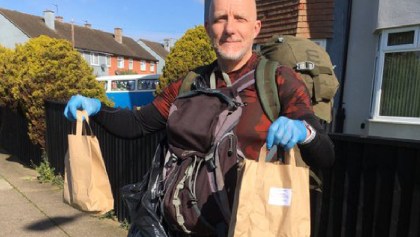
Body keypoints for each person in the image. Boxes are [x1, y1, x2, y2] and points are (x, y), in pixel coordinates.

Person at [64, 0, 334, 233]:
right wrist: (97, 108)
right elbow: (137, 124)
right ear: (208, 28)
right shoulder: (190, 83)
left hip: (246, 229)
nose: (230, 29)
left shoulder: (278, 80)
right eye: (220, 19)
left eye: (240, 18)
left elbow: (325, 154)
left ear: (256, 28)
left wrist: (305, 132)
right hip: (173, 229)